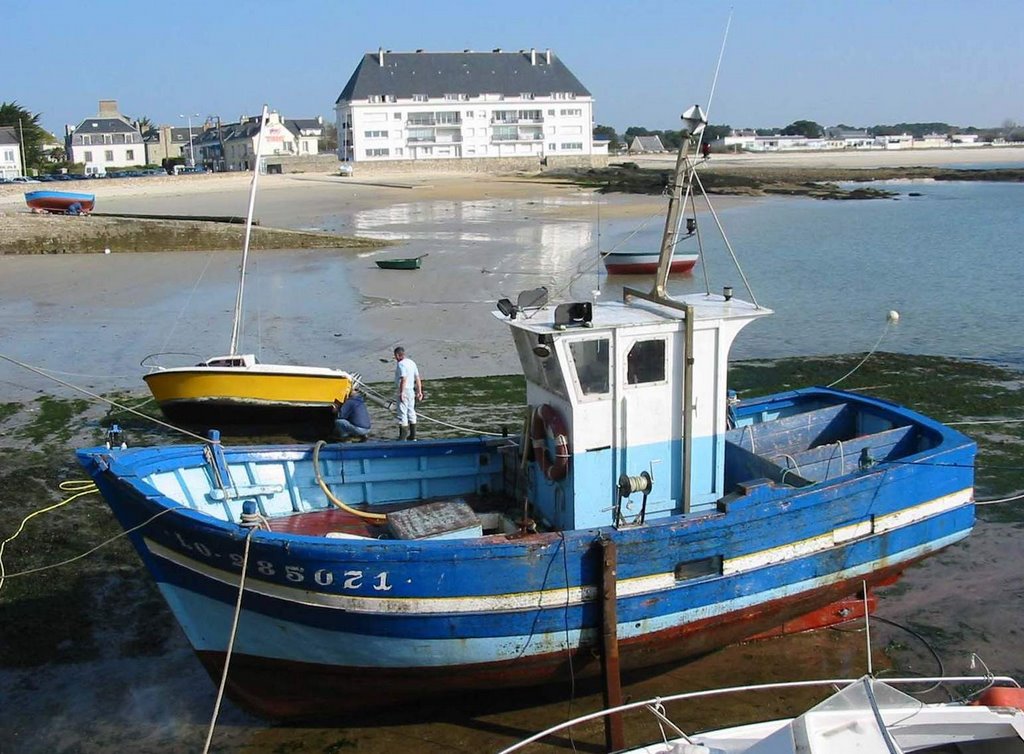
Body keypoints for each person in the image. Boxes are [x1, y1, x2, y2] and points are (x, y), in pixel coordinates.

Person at [393, 346, 423, 440]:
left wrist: (401, 393)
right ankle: (413, 436)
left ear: (398, 355)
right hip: (411, 390)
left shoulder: (401, 364)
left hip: (404, 390)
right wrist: (419, 391)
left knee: (402, 413)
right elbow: (417, 378)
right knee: (411, 412)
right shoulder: (411, 362)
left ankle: (402, 438)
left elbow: (403, 378)